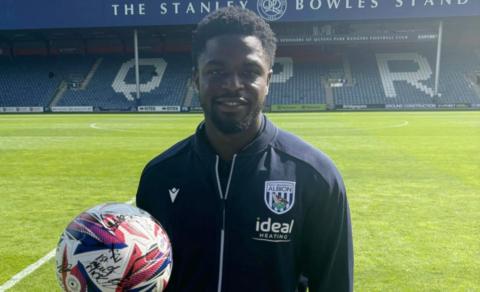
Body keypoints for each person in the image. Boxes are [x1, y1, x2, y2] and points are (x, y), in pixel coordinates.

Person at [136, 6, 353, 292]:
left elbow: (334, 285)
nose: (232, 85)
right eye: (216, 71)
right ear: (196, 79)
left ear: (268, 82)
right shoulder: (159, 176)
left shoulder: (314, 177)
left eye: (250, 71)